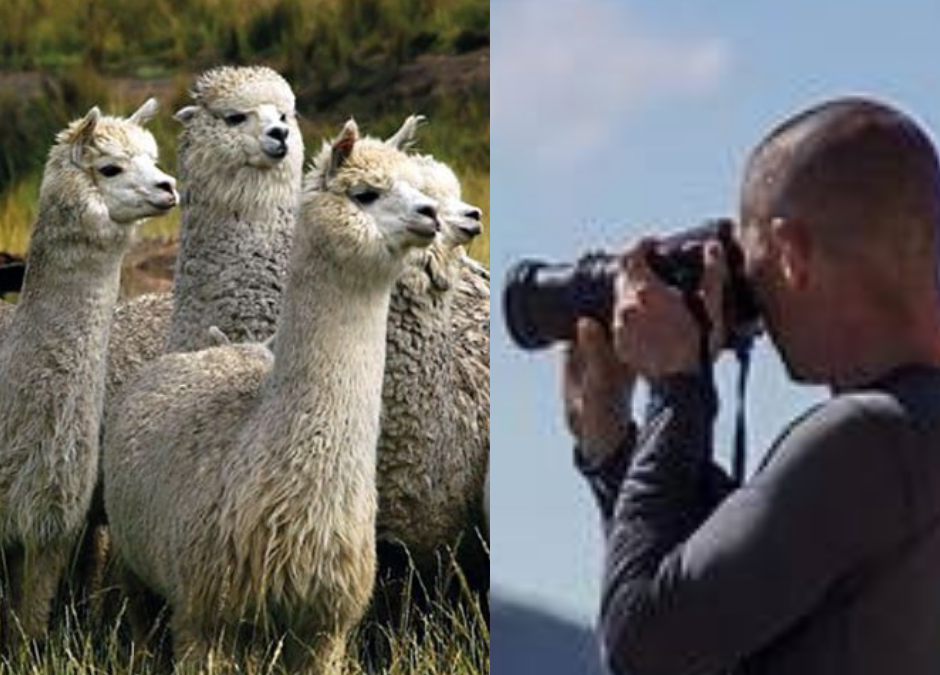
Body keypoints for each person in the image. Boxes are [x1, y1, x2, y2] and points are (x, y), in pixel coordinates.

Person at [564, 97, 940, 674]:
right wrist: (616, 449)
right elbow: (711, 596)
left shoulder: (870, 438)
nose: (750, 299)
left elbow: (646, 642)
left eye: (750, 260)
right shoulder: (903, 443)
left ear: (791, 252)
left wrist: (675, 386)